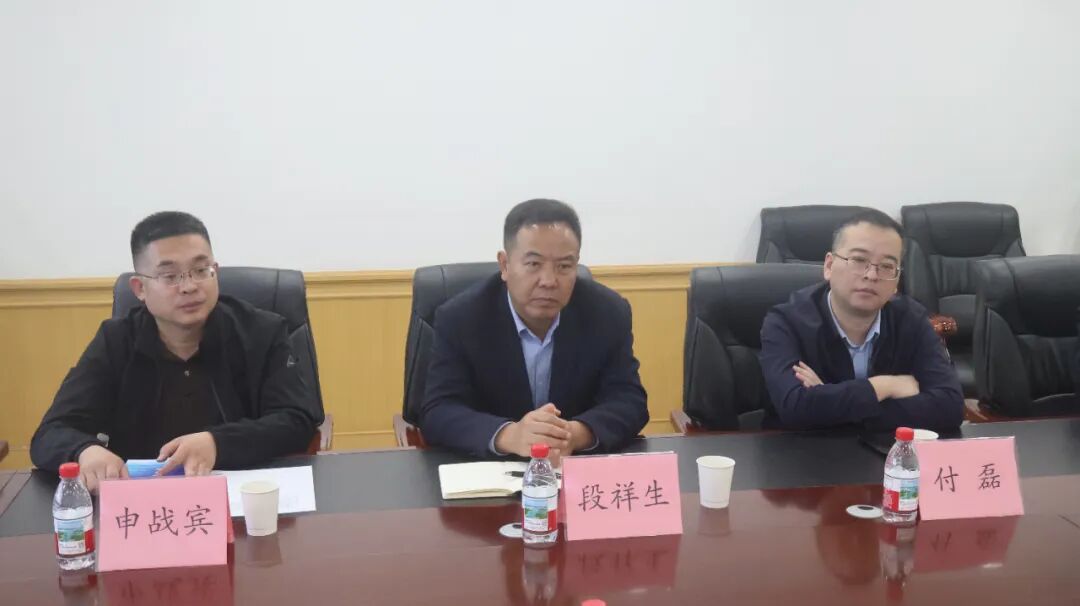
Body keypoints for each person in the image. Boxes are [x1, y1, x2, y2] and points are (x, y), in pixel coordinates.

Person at [30, 211, 322, 491]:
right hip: (142, 503)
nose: (189, 286)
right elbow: (51, 433)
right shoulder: (116, 341)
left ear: (215, 272)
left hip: (243, 496)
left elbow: (297, 419)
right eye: (170, 276)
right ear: (139, 288)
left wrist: (217, 443)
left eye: (201, 270)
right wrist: (84, 451)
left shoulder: (262, 331)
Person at [420, 198, 649, 459]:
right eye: (533, 264)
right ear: (505, 265)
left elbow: (629, 401)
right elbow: (439, 410)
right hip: (490, 469)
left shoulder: (607, 313)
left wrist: (573, 434)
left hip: (571, 468)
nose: (549, 281)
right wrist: (510, 435)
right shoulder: (461, 318)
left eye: (564, 266)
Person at [758, 209, 963, 431]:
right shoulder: (786, 322)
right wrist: (885, 386)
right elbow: (796, 407)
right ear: (829, 266)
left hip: (885, 451)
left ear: (896, 281)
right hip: (801, 450)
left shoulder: (912, 319)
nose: (871, 275)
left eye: (887, 266)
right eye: (858, 260)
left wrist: (828, 403)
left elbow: (950, 407)